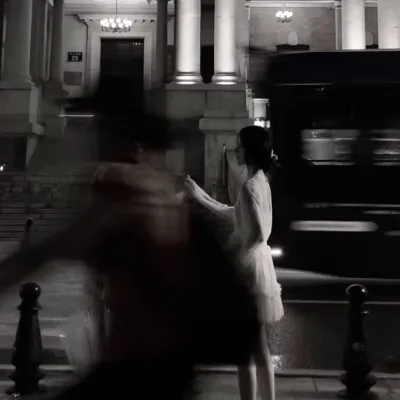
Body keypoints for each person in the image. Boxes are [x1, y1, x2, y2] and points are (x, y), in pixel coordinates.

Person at [184, 125, 284, 400]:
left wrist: (234, 253)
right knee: (258, 349)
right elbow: (236, 214)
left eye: (239, 145)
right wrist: (200, 196)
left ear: (249, 150)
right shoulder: (260, 181)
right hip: (259, 266)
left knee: (248, 352)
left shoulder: (249, 186)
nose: (235, 150)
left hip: (249, 270)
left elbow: (257, 231)